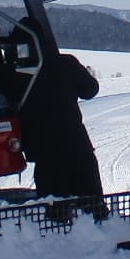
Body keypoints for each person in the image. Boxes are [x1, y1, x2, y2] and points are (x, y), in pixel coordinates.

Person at [15, 26, 105, 199]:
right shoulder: (66, 63)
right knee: (92, 206)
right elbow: (90, 90)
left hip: (43, 153)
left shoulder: (14, 74)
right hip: (76, 145)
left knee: (53, 212)